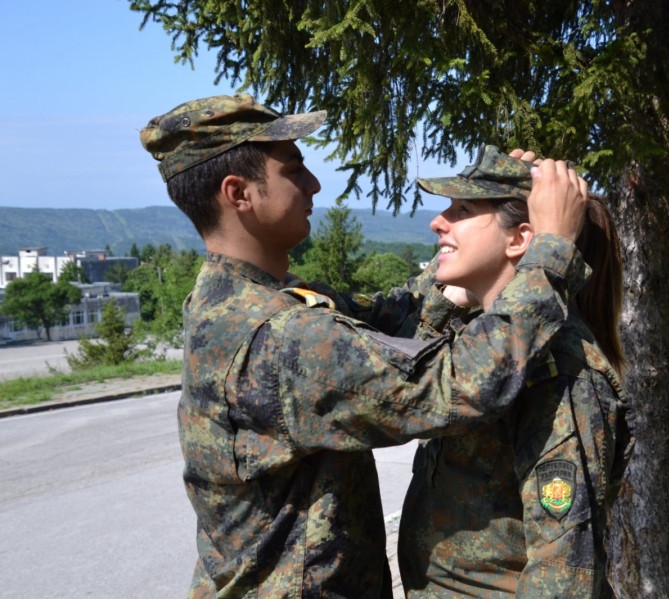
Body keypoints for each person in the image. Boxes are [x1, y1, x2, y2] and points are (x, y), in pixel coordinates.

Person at [138, 94, 590, 598]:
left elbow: (385, 318)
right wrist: (553, 248)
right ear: (239, 193)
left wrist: (490, 214)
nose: (313, 184)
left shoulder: (237, 301)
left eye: (462, 211)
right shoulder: (280, 337)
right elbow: (455, 383)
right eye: (293, 170)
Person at [398, 145, 634, 597]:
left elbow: (562, 573)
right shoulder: (481, 343)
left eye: (462, 209)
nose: (437, 221)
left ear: (520, 239)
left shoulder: (561, 372)